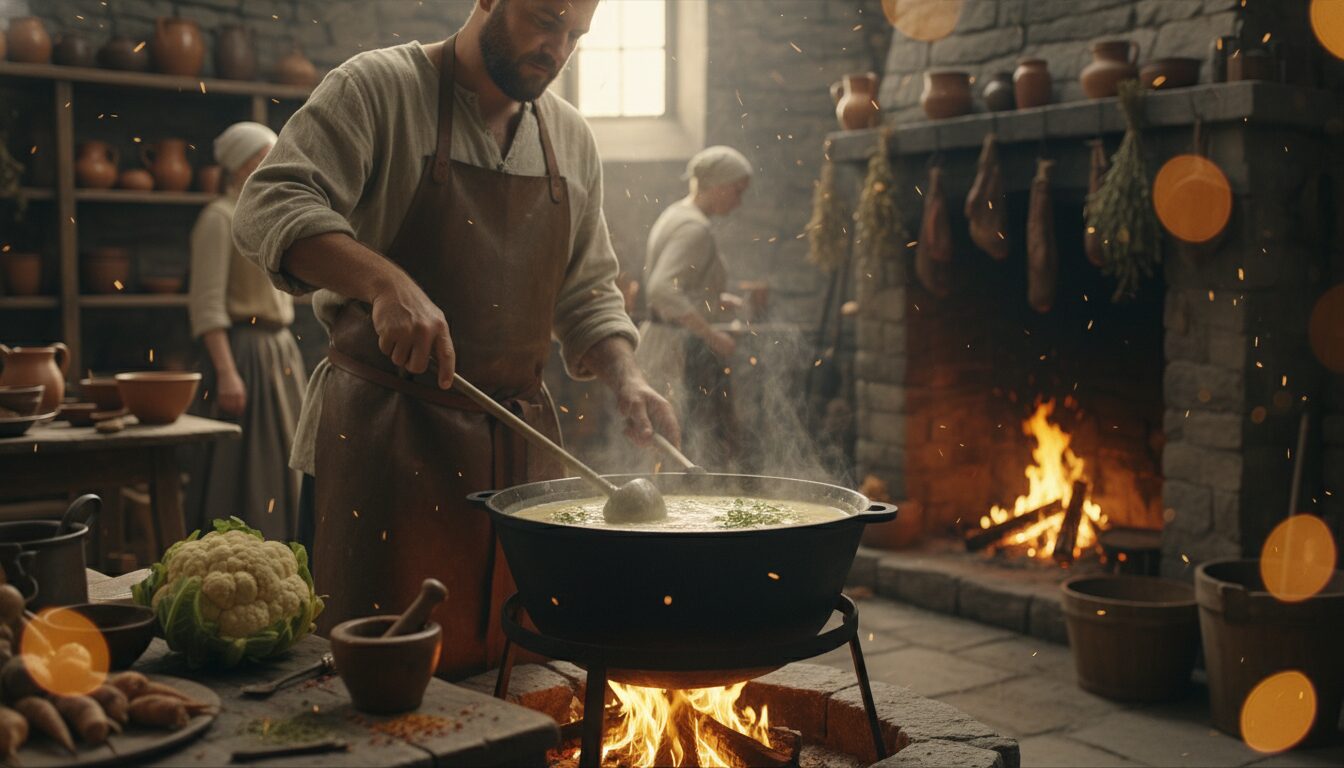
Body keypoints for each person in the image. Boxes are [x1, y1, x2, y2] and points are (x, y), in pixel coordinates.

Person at [232, 0, 678, 679]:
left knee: (516, 676)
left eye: (575, 35)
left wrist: (627, 375)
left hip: (518, 465)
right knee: (376, 690)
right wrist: (384, 282)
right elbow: (269, 204)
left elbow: (587, 289)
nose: (556, 49)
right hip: (381, 450)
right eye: (544, 20)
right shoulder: (376, 89)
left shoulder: (571, 139)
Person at [185, 122, 306, 542]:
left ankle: (286, 551)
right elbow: (207, 305)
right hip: (243, 356)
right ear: (243, 166)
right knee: (244, 466)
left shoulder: (266, 216)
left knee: (282, 463)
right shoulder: (218, 219)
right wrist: (227, 373)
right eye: (265, 156)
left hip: (278, 353)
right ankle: (237, 551)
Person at [636, 146, 752, 470]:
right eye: (737, 190)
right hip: (674, 349)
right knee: (674, 448)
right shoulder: (694, 228)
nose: (739, 201)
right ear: (718, 184)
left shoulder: (677, 213)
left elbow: (680, 286)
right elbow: (661, 289)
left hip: (663, 340)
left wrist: (714, 301)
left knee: (665, 446)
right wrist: (712, 335)